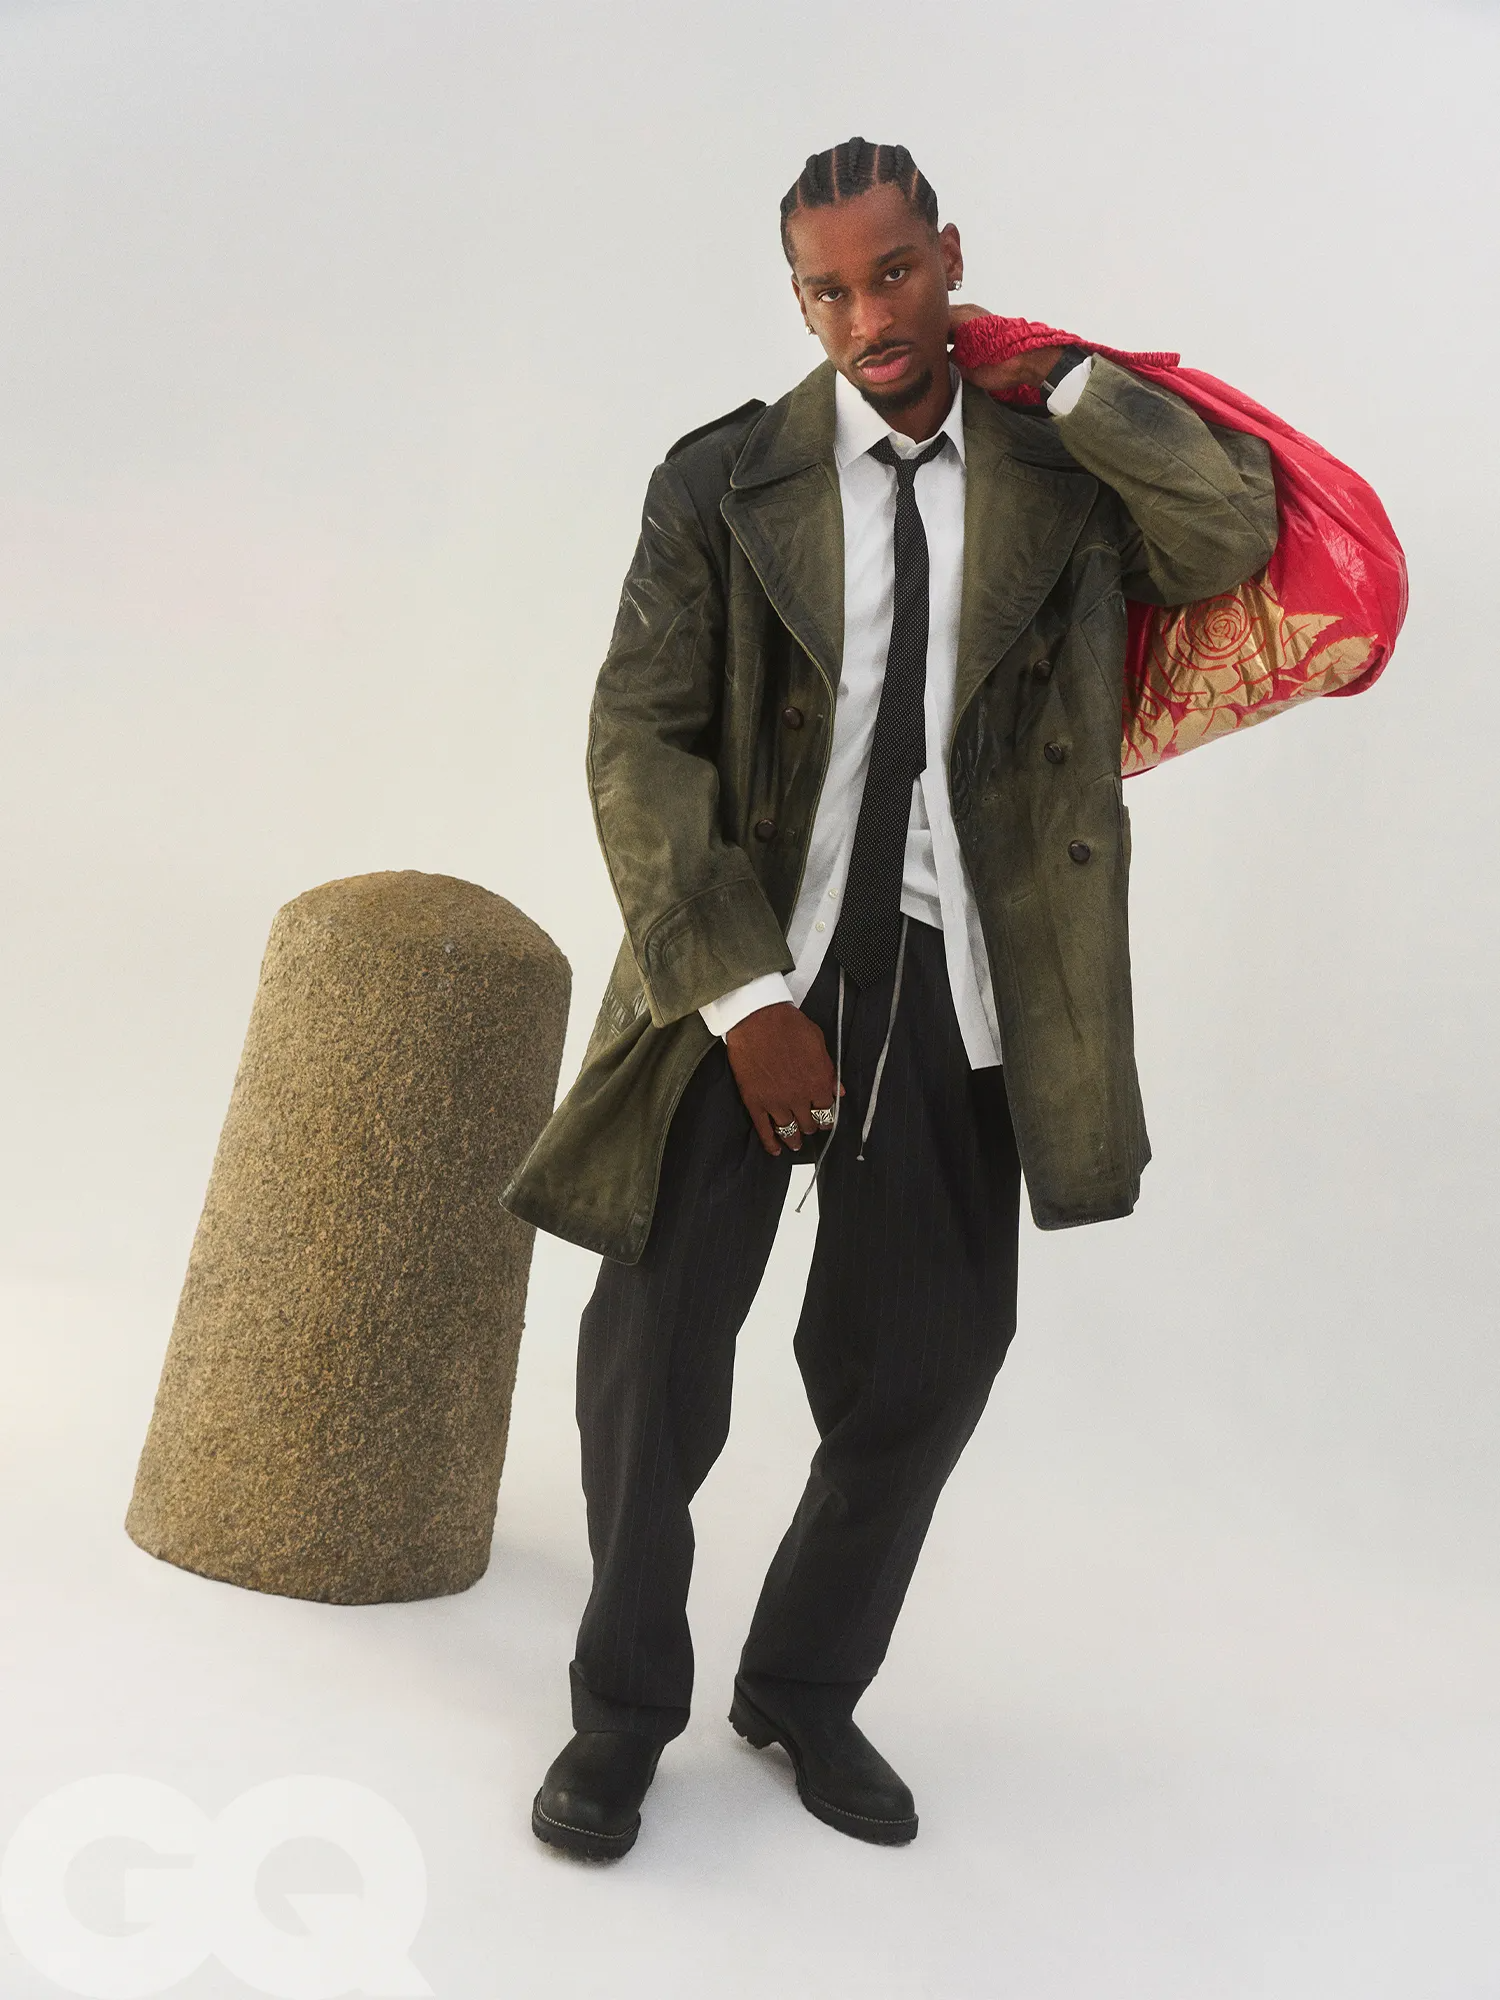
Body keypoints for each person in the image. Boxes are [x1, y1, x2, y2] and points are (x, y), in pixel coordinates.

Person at [503, 136, 1277, 1860]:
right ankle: (620, 1714)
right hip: (750, 972)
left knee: (927, 1361)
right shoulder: (723, 484)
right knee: (654, 1360)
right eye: (829, 290)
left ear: (950, 258)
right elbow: (639, 745)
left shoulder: (1059, 476)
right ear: (800, 301)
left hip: (959, 976)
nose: (868, 316)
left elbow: (1232, 529)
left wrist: (1076, 384)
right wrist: (744, 996)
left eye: (895, 272)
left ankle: (803, 1683)